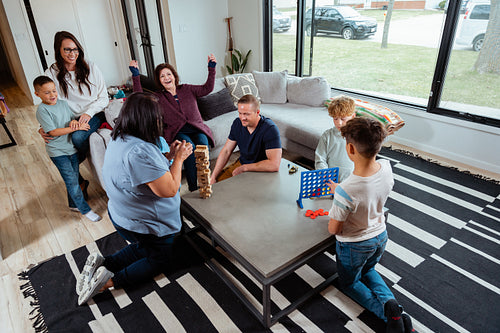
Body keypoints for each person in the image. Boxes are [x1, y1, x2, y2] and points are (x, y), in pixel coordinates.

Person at [76, 92, 192, 306]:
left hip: (122, 214)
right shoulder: (140, 152)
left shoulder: (120, 138)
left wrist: (167, 157)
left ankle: (106, 262)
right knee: (160, 257)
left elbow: (144, 173)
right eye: (158, 117)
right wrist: (179, 159)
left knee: (145, 247)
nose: (161, 121)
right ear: (147, 120)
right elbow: (169, 189)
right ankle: (108, 282)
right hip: (143, 222)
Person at [326, 117, 414, 333]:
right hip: (380, 236)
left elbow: (334, 229)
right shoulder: (386, 167)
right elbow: (368, 191)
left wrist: (339, 194)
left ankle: (387, 316)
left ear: (350, 148)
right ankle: (398, 314)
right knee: (369, 269)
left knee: (350, 283)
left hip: (354, 245)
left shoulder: (346, 190)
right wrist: (341, 190)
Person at [129, 55, 216, 192]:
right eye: (162, 76)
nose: (166, 78)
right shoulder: (157, 97)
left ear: (174, 76)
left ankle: (206, 182)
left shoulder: (187, 89)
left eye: (168, 74)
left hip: (197, 127)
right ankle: (193, 187)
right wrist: (135, 75)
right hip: (178, 131)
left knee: (203, 144)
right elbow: (139, 99)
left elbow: (207, 88)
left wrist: (211, 68)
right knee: (189, 149)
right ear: (159, 81)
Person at [41, 31, 109, 198]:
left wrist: (88, 113)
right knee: (54, 145)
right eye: (67, 50)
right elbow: (47, 101)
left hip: (94, 113)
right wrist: (44, 126)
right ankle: (79, 182)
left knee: (78, 138)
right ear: (59, 51)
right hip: (68, 118)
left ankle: (75, 179)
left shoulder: (91, 67)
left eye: (75, 49)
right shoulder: (51, 73)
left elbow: (103, 98)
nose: (73, 54)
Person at [33, 76, 101, 222]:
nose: (52, 95)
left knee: (74, 178)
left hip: (71, 149)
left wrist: (74, 122)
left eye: (53, 91)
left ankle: (74, 204)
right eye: (47, 93)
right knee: (72, 182)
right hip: (58, 152)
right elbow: (52, 132)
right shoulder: (42, 110)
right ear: (37, 94)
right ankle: (85, 210)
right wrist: (73, 128)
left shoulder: (63, 104)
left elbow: (72, 119)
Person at [210, 94, 282, 184]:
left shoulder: (270, 129)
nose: (242, 118)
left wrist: (245, 168)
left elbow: (274, 164)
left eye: (246, 114)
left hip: (262, 170)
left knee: (240, 194)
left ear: (257, 112)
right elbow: (226, 151)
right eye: (240, 113)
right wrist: (213, 177)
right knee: (217, 186)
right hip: (242, 164)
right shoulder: (237, 123)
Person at [315, 95, 355, 182]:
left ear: (352, 116)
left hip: (351, 182)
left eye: (343, 119)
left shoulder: (358, 136)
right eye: (335, 119)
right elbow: (320, 159)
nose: (339, 123)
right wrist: (324, 173)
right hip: (330, 180)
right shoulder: (327, 136)